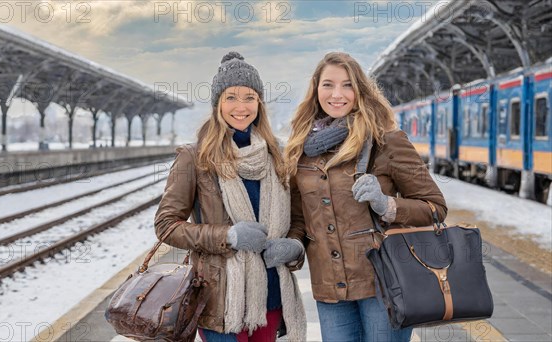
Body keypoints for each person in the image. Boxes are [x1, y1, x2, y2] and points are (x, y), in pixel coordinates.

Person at [283, 51, 448, 341]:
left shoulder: (387, 141)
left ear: (360, 91)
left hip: (384, 283)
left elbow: (435, 208)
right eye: (328, 85)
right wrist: (294, 244)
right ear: (316, 89)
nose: (337, 94)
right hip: (330, 287)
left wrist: (387, 205)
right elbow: (299, 217)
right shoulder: (301, 148)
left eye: (347, 85)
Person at [154, 51, 306, 342]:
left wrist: (295, 245)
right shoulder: (194, 158)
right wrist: (229, 236)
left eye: (249, 97)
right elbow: (166, 225)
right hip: (221, 302)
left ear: (259, 103)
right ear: (217, 104)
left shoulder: (279, 155)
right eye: (231, 97)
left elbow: (297, 218)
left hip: (272, 293)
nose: (241, 107)